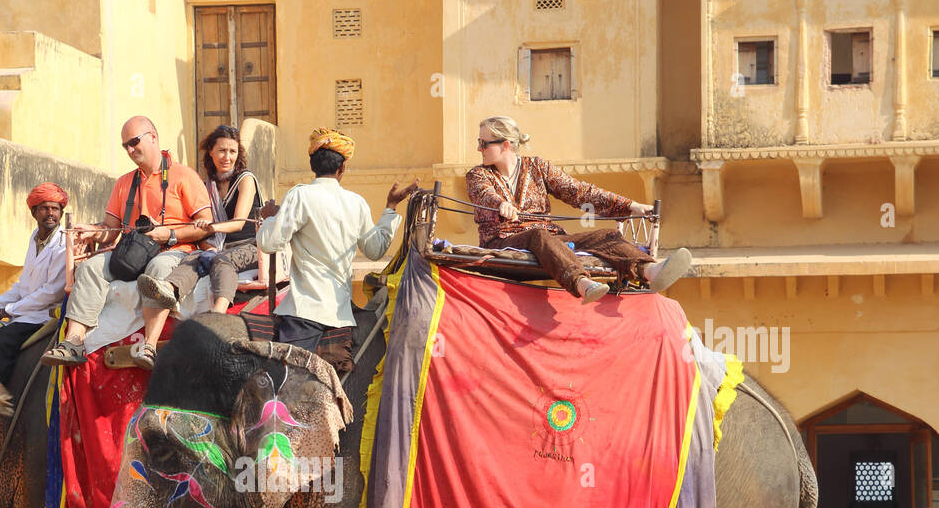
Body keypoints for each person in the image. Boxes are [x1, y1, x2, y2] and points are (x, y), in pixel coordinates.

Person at [42, 116, 212, 369]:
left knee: (157, 273)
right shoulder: (124, 183)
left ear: (153, 138)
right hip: (132, 253)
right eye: (126, 146)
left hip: (173, 250)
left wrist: (169, 234)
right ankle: (73, 343)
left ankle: (150, 348)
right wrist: (91, 231)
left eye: (134, 142)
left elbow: (205, 225)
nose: (131, 150)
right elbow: (110, 230)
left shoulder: (184, 175)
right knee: (89, 268)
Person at [465, 115, 691, 303]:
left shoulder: (537, 167)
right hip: (503, 241)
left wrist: (631, 206)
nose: (478, 148)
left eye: (483, 143)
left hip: (548, 240)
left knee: (606, 236)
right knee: (539, 235)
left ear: (505, 144)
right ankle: (582, 284)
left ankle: (649, 271)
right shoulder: (478, 174)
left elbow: (580, 192)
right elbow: (484, 194)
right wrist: (500, 204)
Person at [255, 128, 418, 351]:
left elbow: (268, 242)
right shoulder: (356, 202)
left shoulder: (300, 195)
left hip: (305, 313)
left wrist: (271, 217)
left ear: (312, 165)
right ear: (342, 168)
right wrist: (390, 207)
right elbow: (375, 249)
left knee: (282, 376)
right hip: (341, 312)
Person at [135, 125, 265, 347]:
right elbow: (200, 229)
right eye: (222, 151)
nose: (227, 157)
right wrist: (207, 247)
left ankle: (217, 316)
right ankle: (169, 289)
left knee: (223, 261)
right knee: (192, 257)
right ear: (211, 153)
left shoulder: (246, 179)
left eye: (232, 151)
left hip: (251, 246)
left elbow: (238, 223)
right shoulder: (208, 185)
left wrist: (211, 229)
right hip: (221, 247)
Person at [0, 183, 70, 385]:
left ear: (61, 212)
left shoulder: (64, 244)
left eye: (55, 209)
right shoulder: (34, 238)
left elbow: (52, 292)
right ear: (34, 211)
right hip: (26, 311)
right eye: (45, 208)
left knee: (1, 342)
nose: (50, 213)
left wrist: (10, 310)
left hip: (43, 315)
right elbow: (23, 285)